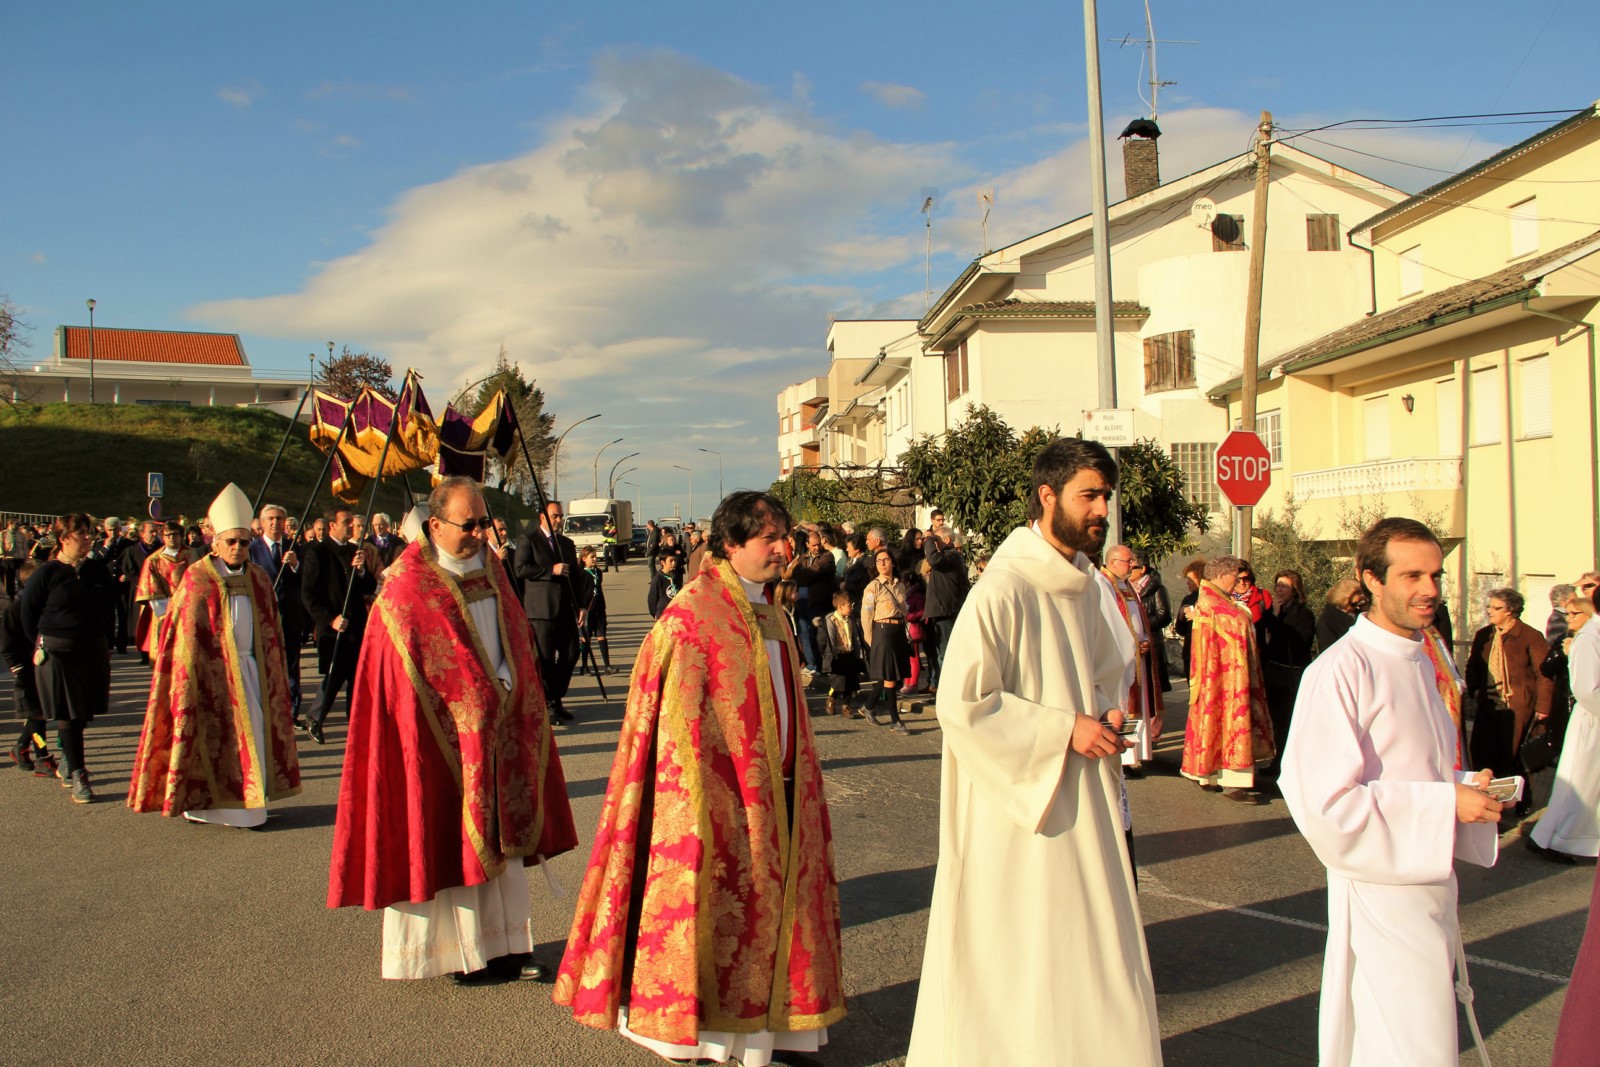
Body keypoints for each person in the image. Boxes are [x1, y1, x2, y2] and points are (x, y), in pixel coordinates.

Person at [555, 490, 845, 1065]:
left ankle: (776, 1031)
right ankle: (701, 1036)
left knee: (776, 904)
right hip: (711, 798)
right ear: (731, 544)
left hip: (779, 786)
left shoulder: (770, 609)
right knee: (718, 908)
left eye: (786, 537)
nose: (785, 549)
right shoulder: (694, 614)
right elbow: (671, 720)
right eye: (770, 539)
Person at [908, 438, 1157, 1066]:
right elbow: (961, 702)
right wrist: (1061, 730)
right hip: (1020, 806)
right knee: (1023, 946)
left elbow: (1106, 667)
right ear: (1048, 496)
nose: (1102, 508)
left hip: (1082, 790)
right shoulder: (1006, 586)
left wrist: (1108, 708)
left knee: (1092, 947)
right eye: (1089, 495)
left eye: (1106, 495)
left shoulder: (1081, 584)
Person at [328, 476, 578, 982]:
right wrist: (472, 701)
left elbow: (515, 637)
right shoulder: (406, 586)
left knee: (500, 836)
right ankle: (459, 954)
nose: (480, 533)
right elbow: (403, 674)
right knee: (450, 834)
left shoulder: (491, 567)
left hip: (498, 725)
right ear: (435, 524)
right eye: (470, 524)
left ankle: (508, 944)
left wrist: (507, 685)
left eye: (484, 522)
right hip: (438, 739)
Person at [1280, 517, 1502, 1067]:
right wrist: (1445, 802)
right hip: (1381, 889)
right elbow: (1324, 802)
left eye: (1435, 574)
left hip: (1426, 879)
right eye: (1411, 576)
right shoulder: (1340, 670)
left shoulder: (1422, 659)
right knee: (1406, 1042)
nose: (1429, 589)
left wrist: (1460, 786)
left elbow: (1407, 769)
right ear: (1369, 579)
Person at [127, 484, 301, 828]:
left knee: (254, 737)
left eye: (244, 542)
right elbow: (183, 638)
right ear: (216, 542)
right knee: (211, 740)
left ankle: (251, 808)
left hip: (252, 671)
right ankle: (204, 807)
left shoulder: (260, 579)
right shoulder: (197, 579)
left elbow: (271, 633)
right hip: (211, 676)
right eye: (231, 542)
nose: (238, 549)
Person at [17, 514, 117, 803]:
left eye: (89, 533)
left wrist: (107, 641)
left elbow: (108, 607)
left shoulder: (98, 570)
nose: (89, 538)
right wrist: (40, 642)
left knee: (84, 712)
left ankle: (67, 755)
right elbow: (28, 614)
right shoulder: (47, 573)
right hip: (58, 652)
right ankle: (78, 772)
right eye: (82, 533)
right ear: (64, 538)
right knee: (68, 715)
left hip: (92, 649)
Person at [1180, 555, 1274, 802]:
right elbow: (1239, 622)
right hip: (1229, 678)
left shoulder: (1215, 599)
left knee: (1214, 722)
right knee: (1231, 721)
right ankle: (1233, 781)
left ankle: (1208, 775)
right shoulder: (1215, 604)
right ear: (1222, 576)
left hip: (1217, 676)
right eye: (1235, 576)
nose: (1238, 582)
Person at [1529, 596, 1600, 862]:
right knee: (1579, 784)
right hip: (1592, 718)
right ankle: (1554, 839)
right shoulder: (1589, 638)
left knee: (1588, 785)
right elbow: (1585, 688)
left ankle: (1553, 837)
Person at [299, 507, 376, 744]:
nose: (351, 526)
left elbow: (369, 587)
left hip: (356, 626)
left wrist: (361, 571)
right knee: (334, 676)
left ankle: (355, 722)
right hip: (334, 628)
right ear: (332, 525)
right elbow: (309, 594)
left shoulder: (355, 551)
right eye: (346, 522)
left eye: (352, 522)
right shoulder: (318, 553)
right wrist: (329, 619)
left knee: (357, 677)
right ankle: (315, 717)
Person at [1464, 588, 1548, 798]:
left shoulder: (1529, 636)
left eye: (1497, 608)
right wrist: (1474, 690)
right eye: (1489, 607)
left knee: (1513, 756)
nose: (1490, 611)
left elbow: (1544, 673)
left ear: (1511, 610)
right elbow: (1473, 666)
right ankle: (1488, 796)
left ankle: (1520, 799)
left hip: (1517, 705)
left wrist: (1543, 707)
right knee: (1484, 754)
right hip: (1488, 705)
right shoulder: (1484, 635)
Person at [514, 501, 586, 725]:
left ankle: (555, 696)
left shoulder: (566, 543)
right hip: (541, 610)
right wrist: (549, 570)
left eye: (561, 516)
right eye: (555, 516)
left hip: (565, 608)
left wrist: (582, 605)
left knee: (572, 653)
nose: (559, 520)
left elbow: (575, 576)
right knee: (545, 659)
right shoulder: (529, 540)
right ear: (543, 517)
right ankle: (550, 704)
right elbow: (520, 569)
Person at [1102, 544, 1159, 770]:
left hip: (1138, 655)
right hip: (1120, 658)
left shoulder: (1125, 584)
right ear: (1113, 562)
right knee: (1123, 703)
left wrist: (1143, 641)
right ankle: (1124, 757)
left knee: (1139, 703)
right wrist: (1134, 644)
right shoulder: (1105, 584)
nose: (1133, 565)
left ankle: (1137, 754)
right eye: (1128, 561)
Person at [249, 504, 304, 722]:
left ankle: (291, 713)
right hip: (263, 616)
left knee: (291, 666)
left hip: (290, 616)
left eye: (280, 518)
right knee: (264, 665)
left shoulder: (294, 547)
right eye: (271, 518)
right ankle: (265, 710)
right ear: (262, 523)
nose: (276, 523)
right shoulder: (252, 549)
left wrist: (295, 565)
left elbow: (306, 579)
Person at [1260, 569, 1317, 769]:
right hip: (1273, 671)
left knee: (1290, 719)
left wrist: (1275, 620)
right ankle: (1279, 758)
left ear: (1295, 590)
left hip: (1292, 673)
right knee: (1276, 720)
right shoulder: (1271, 611)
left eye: (1285, 585)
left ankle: (1288, 762)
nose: (1279, 589)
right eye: (1278, 585)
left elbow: (1298, 642)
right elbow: (1263, 639)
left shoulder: (1303, 614)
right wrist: (1273, 616)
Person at [4, 559, 55, 776]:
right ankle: (42, 756)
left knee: (38, 714)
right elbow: (6, 644)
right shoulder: (15, 609)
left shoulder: (44, 606)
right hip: (25, 668)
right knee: (36, 715)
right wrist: (16, 667)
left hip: (42, 666)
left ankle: (20, 747)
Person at [861, 547, 912, 734]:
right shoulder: (873, 587)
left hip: (898, 630)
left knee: (891, 673)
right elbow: (866, 616)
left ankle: (868, 706)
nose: (882, 563)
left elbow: (904, 611)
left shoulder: (899, 585)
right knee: (889, 676)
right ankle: (895, 721)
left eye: (886, 559)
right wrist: (870, 640)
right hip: (882, 632)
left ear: (893, 562)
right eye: (878, 561)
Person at [132, 521, 191, 668]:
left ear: (181, 536)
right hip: (164, 612)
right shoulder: (153, 560)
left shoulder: (192, 556)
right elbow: (152, 589)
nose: (172, 538)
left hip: (189, 609)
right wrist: (170, 607)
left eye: (175, 534)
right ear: (162, 537)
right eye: (168, 535)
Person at [921, 528, 968, 691]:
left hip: (946, 611)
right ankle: (944, 688)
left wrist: (928, 540)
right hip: (941, 611)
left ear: (946, 540)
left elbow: (933, 560)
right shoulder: (947, 557)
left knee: (946, 653)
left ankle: (949, 690)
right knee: (940, 652)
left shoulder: (952, 556)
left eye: (936, 539)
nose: (932, 543)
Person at [1129, 550, 1173, 696]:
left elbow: (1164, 616)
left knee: (1152, 689)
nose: (1129, 569)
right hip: (1133, 643)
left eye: (1133, 566)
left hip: (1152, 642)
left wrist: (1140, 623)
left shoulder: (1157, 589)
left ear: (1142, 569)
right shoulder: (1126, 587)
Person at [818, 590, 864, 718]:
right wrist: (827, 655)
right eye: (849, 605)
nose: (852, 607)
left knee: (850, 682)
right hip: (837, 656)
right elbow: (822, 641)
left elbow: (856, 637)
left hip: (850, 654)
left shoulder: (851, 619)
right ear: (840, 607)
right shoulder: (830, 620)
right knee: (838, 682)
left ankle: (846, 706)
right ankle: (831, 698)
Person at [577, 546, 613, 674]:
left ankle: (607, 666)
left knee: (602, 635)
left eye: (595, 557)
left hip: (599, 608)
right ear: (584, 558)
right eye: (592, 557)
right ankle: (585, 665)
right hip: (588, 609)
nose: (594, 559)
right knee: (586, 638)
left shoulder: (598, 572)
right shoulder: (581, 573)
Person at [1174, 557, 1205, 675]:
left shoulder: (1210, 600)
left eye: (1191, 580)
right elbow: (1180, 630)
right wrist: (1181, 615)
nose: (1188, 583)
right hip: (1189, 653)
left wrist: (1197, 616)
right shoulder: (1187, 599)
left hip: (1205, 652)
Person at [1316, 578, 1362, 654]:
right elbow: (1329, 653)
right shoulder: (1327, 622)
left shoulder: (1356, 613)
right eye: (1354, 603)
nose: (1357, 607)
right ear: (1343, 599)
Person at [647, 552, 681, 619]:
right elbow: (652, 599)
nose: (674, 563)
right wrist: (655, 614)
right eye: (671, 561)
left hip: (676, 614)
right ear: (663, 562)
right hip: (663, 614)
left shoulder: (676, 577)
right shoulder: (657, 579)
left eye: (675, 560)